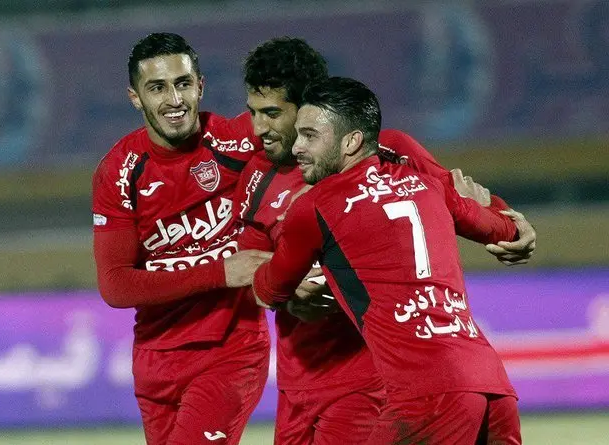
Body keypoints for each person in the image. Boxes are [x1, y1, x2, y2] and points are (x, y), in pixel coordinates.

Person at [253, 77, 522, 444]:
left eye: (310, 136)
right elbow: (503, 229)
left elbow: (270, 289)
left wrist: (270, 262)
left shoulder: (314, 206)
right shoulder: (427, 184)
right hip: (492, 385)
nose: (297, 146)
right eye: (298, 134)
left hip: (427, 394)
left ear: (351, 141)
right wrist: (512, 220)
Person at [91, 33, 273, 445]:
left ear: (200, 86)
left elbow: (322, 130)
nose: (174, 100)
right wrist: (221, 272)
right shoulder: (119, 172)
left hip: (232, 350)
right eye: (157, 88)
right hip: (156, 361)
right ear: (135, 98)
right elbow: (116, 285)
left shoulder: (236, 140)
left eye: (183, 83)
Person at [235, 38, 385, 445]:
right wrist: (285, 293)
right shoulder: (256, 177)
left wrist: (501, 222)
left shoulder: (361, 161)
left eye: (271, 113)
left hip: (364, 379)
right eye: (253, 112)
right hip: (295, 387)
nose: (258, 128)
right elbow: (248, 273)